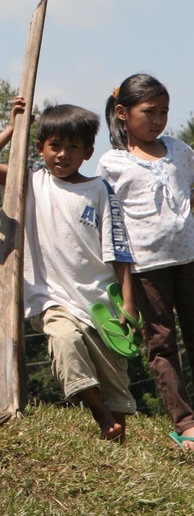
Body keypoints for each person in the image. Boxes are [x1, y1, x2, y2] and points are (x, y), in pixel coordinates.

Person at [0, 102, 136, 441]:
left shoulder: (100, 191)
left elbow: (119, 251)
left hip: (99, 300)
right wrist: (15, 127)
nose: (62, 155)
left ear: (88, 151)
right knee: (66, 341)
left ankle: (117, 433)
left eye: (72, 147)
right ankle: (101, 414)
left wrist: (128, 301)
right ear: (39, 148)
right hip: (52, 299)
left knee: (114, 374)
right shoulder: (32, 181)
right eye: (55, 146)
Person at [96, 74, 194, 450]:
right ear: (122, 113)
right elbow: (113, 226)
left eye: (164, 111)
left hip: (188, 259)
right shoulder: (112, 163)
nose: (158, 120)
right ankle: (185, 421)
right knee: (162, 344)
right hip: (147, 268)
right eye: (149, 111)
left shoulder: (180, 150)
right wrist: (124, 288)